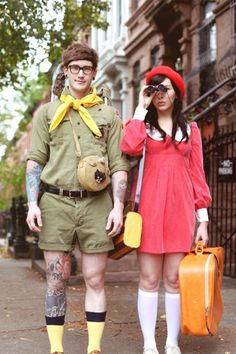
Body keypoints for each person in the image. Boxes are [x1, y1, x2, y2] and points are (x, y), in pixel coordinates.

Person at [26, 42, 129, 354]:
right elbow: (35, 161)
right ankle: (56, 349)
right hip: (55, 204)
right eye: (75, 68)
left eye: (86, 68)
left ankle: (93, 348)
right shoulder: (47, 114)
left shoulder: (109, 114)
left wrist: (119, 206)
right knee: (57, 281)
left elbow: (119, 164)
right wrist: (32, 202)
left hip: (96, 205)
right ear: (66, 71)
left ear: (94, 72)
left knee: (95, 280)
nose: (81, 73)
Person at [120, 65, 211, 354]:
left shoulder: (191, 130)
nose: (160, 94)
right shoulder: (143, 128)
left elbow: (198, 175)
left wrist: (203, 220)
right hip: (149, 209)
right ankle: (150, 343)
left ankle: (171, 342)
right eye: (154, 89)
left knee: (173, 279)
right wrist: (139, 107)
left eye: (165, 88)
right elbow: (129, 146)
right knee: (149, 279)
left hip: (180, 210)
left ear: (176, 93)